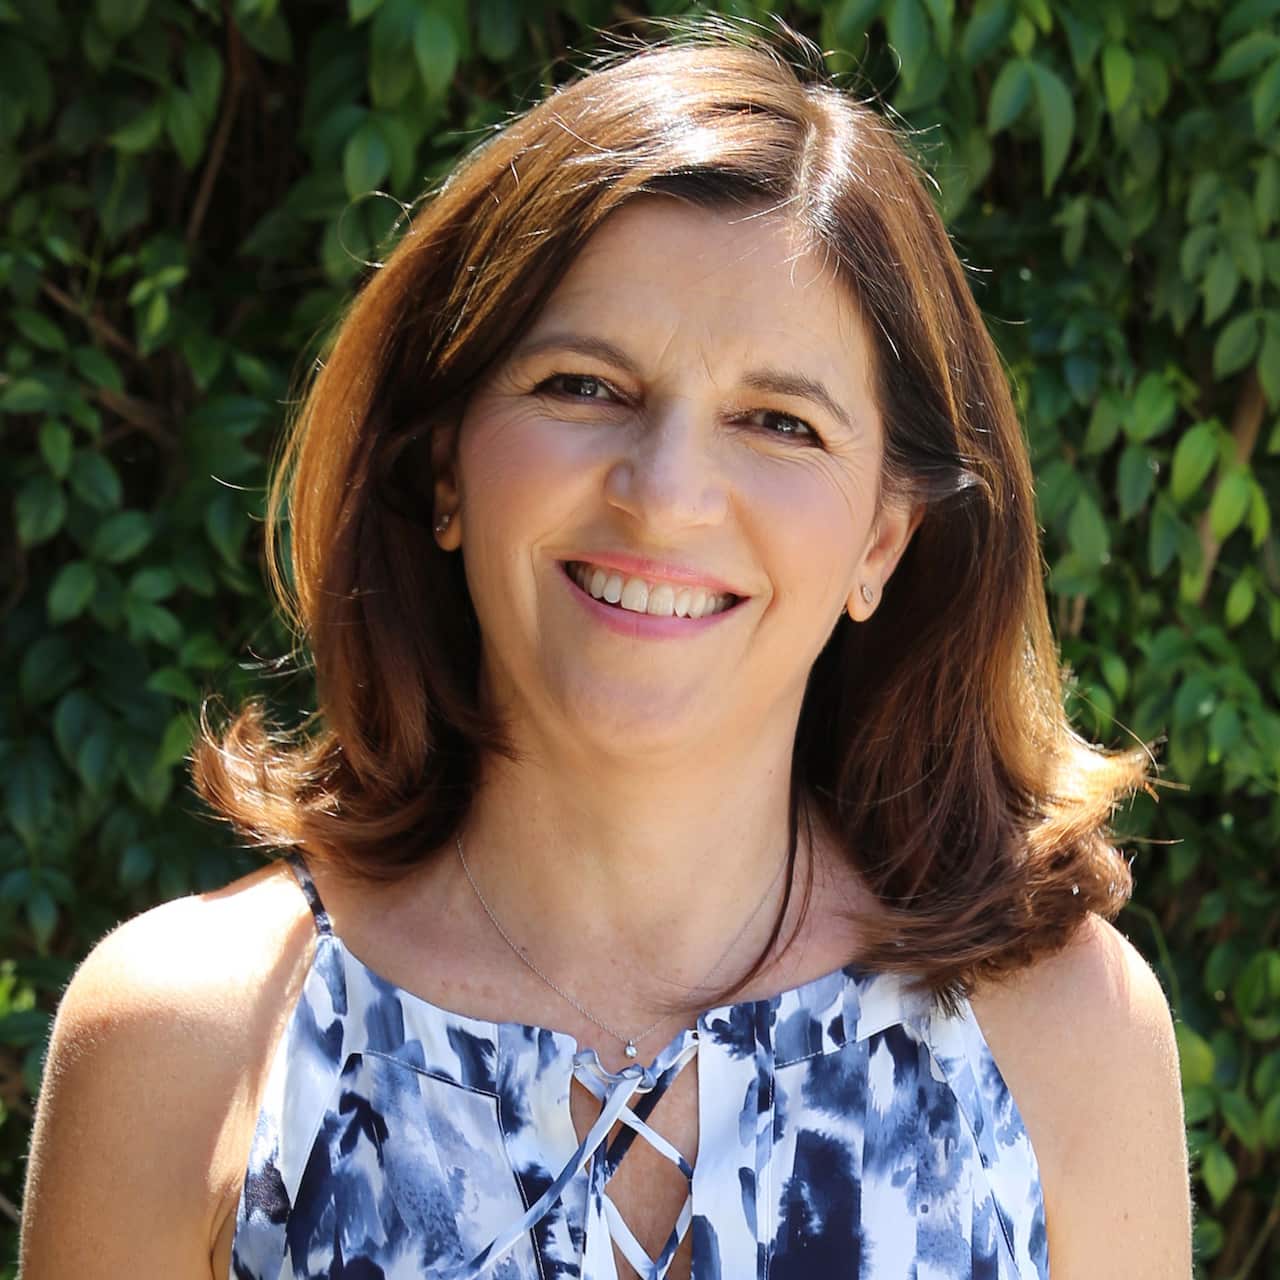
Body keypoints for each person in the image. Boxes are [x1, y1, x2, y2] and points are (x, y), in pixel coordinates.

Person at [20, 20, 1191, 1280]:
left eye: (778, 421)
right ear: (443, 468)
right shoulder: (181, 1042)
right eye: (583, 385)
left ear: (882, 543)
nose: (666, 489)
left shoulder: (1062, 1032)